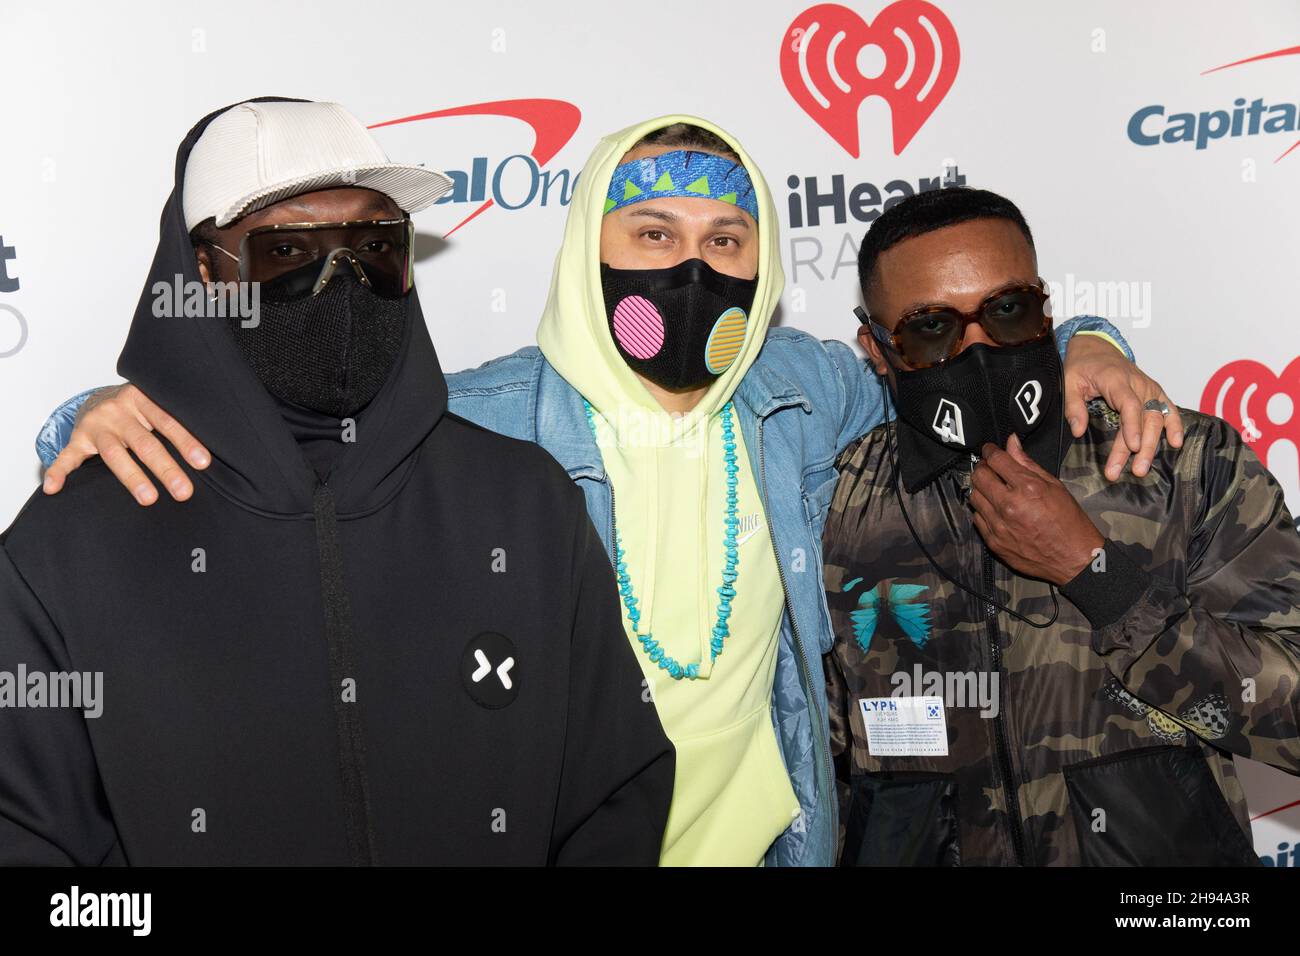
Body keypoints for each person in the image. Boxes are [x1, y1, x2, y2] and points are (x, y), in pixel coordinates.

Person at [33, 114, 1176, 866]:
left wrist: (1082, 339)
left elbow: (956, 358)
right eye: (653, 229)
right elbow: (278, 432)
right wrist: (88, 407)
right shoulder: (473, 417)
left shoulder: (806, 390)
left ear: (765, 262)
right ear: (591, 244)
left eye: (729, 236)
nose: (694, 266)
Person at [0, 98, 674, 865]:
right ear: (200, 273)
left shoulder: (525, 505)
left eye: (374, 244)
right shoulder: (72, 548)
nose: (341, 278)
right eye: (287, 251)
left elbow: (617, 792)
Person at [823, 186, 1300, 866]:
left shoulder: (1176, 464)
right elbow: (823, 762)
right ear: (877, 347)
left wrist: (1099, 578)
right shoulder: (838, 503)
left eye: (1009, 311)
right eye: (932, 328)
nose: (980, 348)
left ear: (1045, 307)